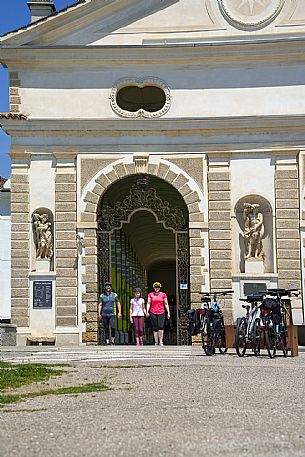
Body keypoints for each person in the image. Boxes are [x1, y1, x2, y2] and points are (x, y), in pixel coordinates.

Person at [146, 281, 170, 346]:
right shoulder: (150, 294)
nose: (157, 288)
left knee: (160, 326)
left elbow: (166, 303)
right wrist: (147, 311)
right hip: (153, 312)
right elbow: (148, 303)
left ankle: (161, 341)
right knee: (155, 327)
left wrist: (168, 312)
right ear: (154, 288)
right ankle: (156, 341)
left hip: (161, 312)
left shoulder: (163, 295)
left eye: (158, 287)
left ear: (160, 288)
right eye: (156, 287)